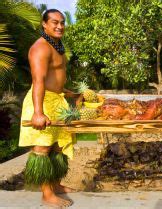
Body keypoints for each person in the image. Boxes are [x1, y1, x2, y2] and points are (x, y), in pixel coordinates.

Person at [19, 9, 79, 207]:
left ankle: (56, 185)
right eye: (54, 22)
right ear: (44, 24)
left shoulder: (57, 45)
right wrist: (38, 112)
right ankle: (47, 195)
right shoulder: (40, 48)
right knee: (43, 148)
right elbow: (38, 81)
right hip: (42, 101)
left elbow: (56, 79)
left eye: (62, 22)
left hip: (56, 101)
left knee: (57, 147)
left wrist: (71, 93)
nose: (60, 26)